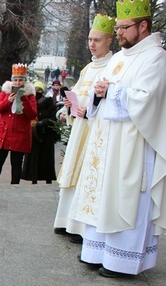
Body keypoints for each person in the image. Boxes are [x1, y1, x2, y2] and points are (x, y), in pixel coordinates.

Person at [74, 0, 166, 278]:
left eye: (123, 28)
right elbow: (99, 93)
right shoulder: (118, 57)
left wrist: (113, 91)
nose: (118, 33)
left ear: (143, 26)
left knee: (126, 197)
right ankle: (96, 252)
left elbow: (148, 100)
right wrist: (98, 92)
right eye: (117, 28)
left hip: (134, 144)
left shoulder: (156, 57)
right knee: (103, 195)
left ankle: (123, 261)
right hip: (106, 142)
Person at [53, 14, 114, 237]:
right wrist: (70, 105)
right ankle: (65, 221)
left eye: (97, 40)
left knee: (88, 176)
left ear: (109, 41)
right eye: (90, 40)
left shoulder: (114, 66)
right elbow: (79, 93)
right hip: (81, 129)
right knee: (72, 173)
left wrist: (89, 110)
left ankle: (80, 227)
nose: (92, 44)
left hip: (96, 132)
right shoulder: (88, 68)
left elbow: (109, 99)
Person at [0, 63, 37, 185]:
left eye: (20, 80)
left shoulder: (30, 95)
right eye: (15, 80)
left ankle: (15, 188)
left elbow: (32, 114)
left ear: (25, 81)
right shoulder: (5, 92)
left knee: (16, 164)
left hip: (19, 135)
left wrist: (24, 99)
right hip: (3, 133)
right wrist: (8, 100)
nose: (18, 82)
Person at [21, 81, 59, 184]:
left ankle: (48, 178)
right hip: (34, 134)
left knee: (47, 158)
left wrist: (43, 122)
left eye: (39, 90)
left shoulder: (49, 103)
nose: (37, 93)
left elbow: (54, 118)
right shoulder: (31, 103)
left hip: (47, 135)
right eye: (35, 90)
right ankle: (33, 177)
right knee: (33, 157)